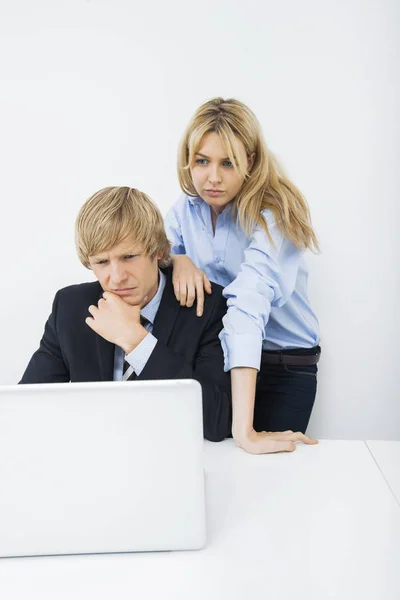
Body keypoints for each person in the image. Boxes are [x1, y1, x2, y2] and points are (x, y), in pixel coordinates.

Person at [164, 97, 321, 455]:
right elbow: (156, 250)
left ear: (250, 162)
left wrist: (245, 431)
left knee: (267, 477)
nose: (213, 177)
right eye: (202, 161)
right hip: (217, 362)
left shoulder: (275, 212)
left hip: (284, 367)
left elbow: (246, 306)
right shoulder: (186, 209)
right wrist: (178, 259)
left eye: (228, 163)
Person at [20, 186, 232, 442]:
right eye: (101, 262)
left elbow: (218, 422)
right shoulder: (70, 306)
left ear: (159, 251)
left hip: (171, 458)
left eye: (129, 257)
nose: (117, 278)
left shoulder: (206, 307)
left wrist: (137, 342)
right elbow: (26, 409)